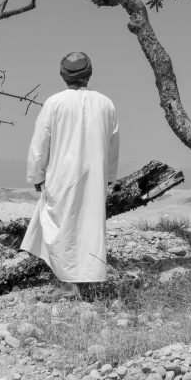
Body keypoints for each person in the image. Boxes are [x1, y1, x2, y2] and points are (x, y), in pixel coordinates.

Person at [20, 52, 119, 301]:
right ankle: (80, 282)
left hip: (62, 175)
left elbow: (40, 142)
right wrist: (108, 175)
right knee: (88, 225)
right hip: (94, 175)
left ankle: (67, 284)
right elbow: (113, 143)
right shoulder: (106, 103)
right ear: (89, 74)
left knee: (60, 226)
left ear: (63, 75)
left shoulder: (55, 103)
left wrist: (36, 174)